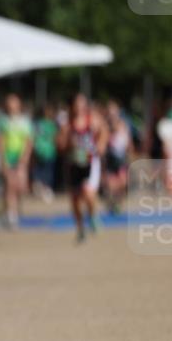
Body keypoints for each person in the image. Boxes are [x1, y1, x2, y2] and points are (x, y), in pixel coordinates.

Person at [58, 93, 109, 243]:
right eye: (77, 104)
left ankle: (93, 217)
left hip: (90, 161)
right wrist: (68, 143)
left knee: (88, 192)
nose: (79, 107)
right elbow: (60, 144)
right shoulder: (67, 124)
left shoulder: (92, 119)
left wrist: (101, 145)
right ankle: (80, 229)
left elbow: (104, 131)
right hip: (74, 163)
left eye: (82, 104)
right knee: (75, 199)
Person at [0, 94, 33, 228]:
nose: (12, 106)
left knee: (20, 187)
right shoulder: (3, 121)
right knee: (10, 186)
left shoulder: (25, 121)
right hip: (8, 157)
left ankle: (14, 211)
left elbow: (28, 141)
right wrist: (2, 158)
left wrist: (25, 158)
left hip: (20, 157)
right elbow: (0, 140)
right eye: (9, 103)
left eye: (14, 103)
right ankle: (11, 216)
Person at [103, 99, 132, 214]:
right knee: (110, 184)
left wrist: (130, 151)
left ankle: (117, 202)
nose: (112, 114)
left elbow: (128, 140)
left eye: (114, 111)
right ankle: (112, 203)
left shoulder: (123, 124)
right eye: (110, 111)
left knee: (124, 183)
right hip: (110, 158)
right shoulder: (105, 125)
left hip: (121, 158)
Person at [31, 103, 59, 202]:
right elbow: (34, 137)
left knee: (48, 172)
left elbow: (56, 138)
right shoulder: (38, 124)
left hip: (50, 152)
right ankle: (40, 188)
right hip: (40, 151)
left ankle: (46, 190)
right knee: (39, 171)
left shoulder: (53, 124)